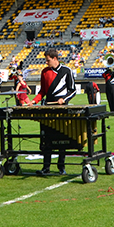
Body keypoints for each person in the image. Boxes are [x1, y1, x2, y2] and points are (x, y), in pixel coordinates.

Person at [34, 47, 76, 176]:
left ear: (55, 58)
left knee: (62, 138)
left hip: (61, 108)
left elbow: (73, 90)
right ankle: (46, 167)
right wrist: (34, 101)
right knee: (46, 138)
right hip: (48, 108)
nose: (46, 62)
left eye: (48, 60)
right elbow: (42, 91)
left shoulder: (66, 71)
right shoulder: (44, 72)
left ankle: (61, 166)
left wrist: (64, 99)